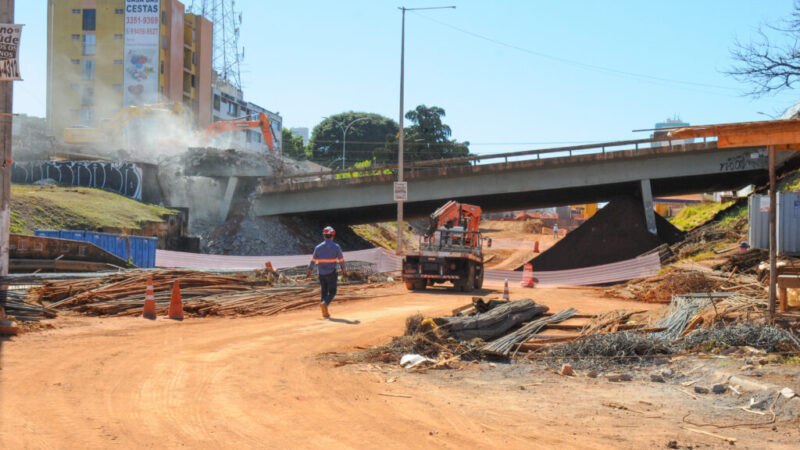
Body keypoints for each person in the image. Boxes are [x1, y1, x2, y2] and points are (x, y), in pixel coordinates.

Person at [307, 226, 347, 318]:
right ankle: (325, 303)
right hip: (331, 273)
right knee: (332, 291)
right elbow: (341, 260)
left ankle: (324, 311)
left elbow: (313, 260)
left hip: (321, 273)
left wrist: (309, 270)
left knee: (323, 292)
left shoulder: (318, 247)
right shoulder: (336, 247)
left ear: (324, 236)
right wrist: (344, 270)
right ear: (332, 236)